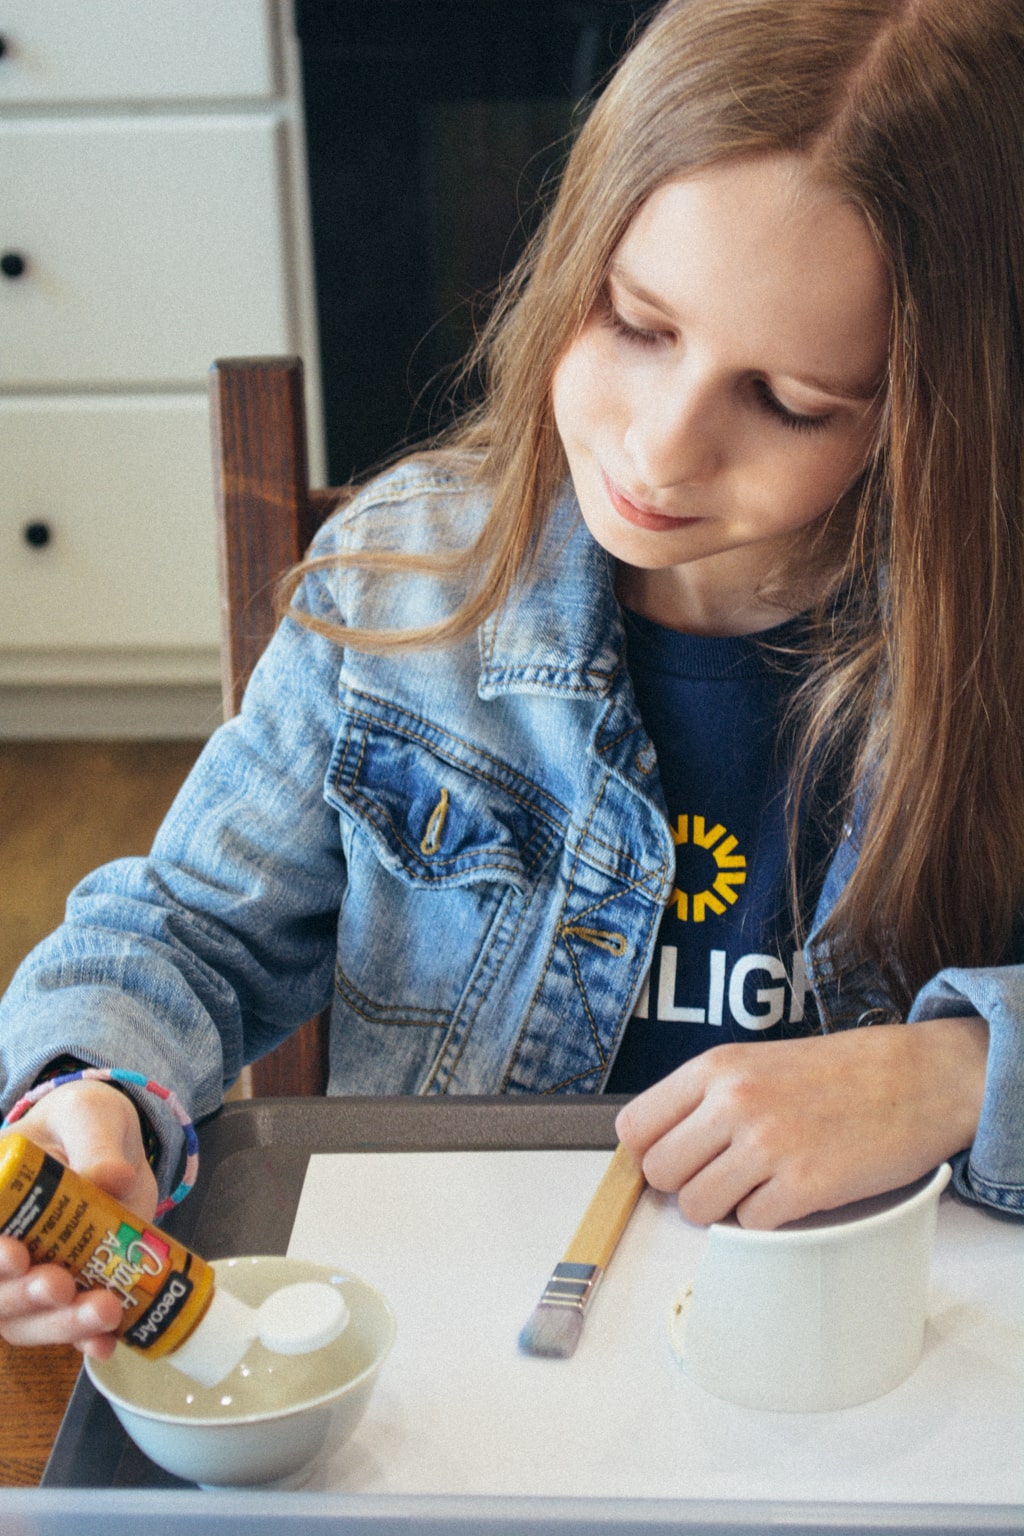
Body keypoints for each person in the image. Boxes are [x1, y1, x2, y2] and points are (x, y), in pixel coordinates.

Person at [1, 0, 1022, 1360]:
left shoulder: (992, 639)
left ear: (938, 407)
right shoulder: (405, 579)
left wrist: (961, 1069)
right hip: (455, 1359)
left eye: (785, 401)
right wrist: (86, 1098)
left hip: (867, 1359)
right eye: (638, 323)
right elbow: (186, 931)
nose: (659, 453)